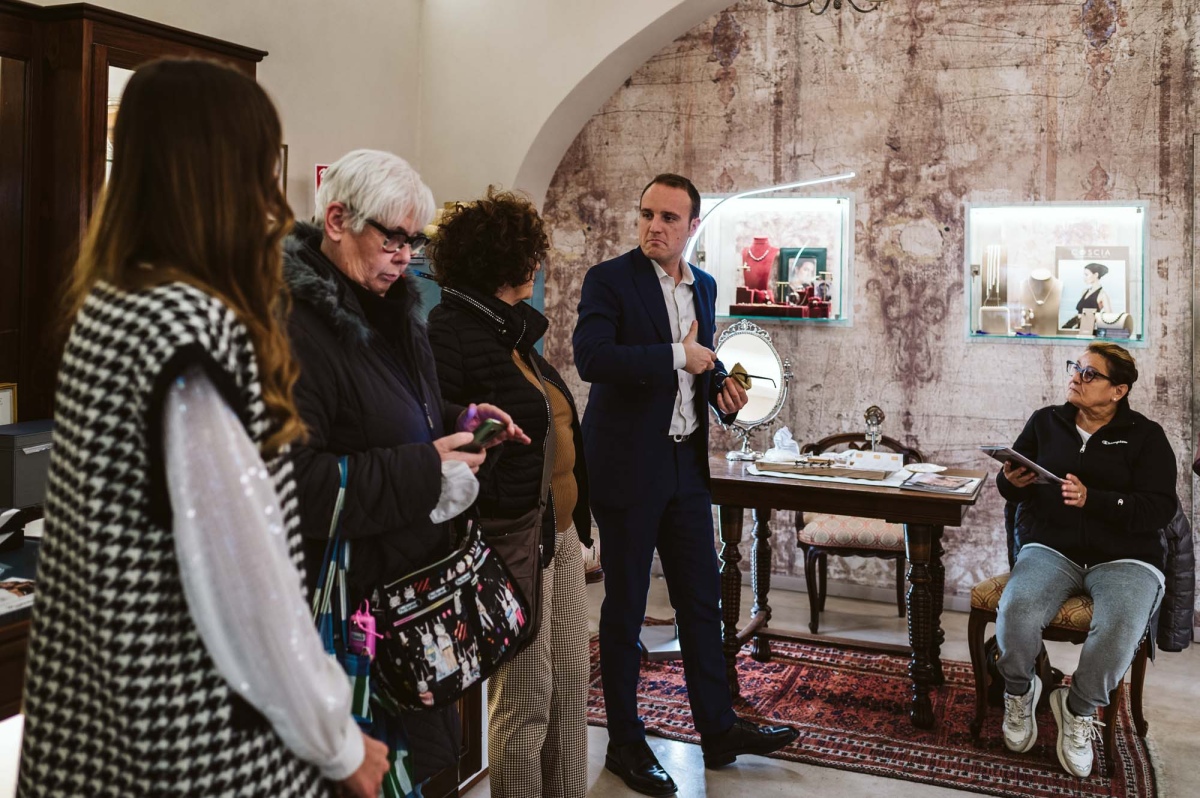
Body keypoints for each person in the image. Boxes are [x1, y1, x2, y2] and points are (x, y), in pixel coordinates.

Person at [18, 59, 388, 798]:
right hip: (196, 736)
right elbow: (242, 571)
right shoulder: (188, 325)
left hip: (105, 721)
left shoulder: (115, 303)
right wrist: (337, 739)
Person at [283, 150, 527, 793]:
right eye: (392, 238)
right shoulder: (295, 327)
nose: (405, 257)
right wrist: (427, 465)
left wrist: (462, 418)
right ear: (337, 220)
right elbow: (295, 483)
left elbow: (394, 412)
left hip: (406, 592)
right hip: (346, 609)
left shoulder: (395, 306)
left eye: (414, 242)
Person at [573, 173, 798, 796]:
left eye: (669, 217)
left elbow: (699, 364)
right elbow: (593, 358)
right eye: (647, 213)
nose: (654, 226)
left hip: (686, 467)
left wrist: (720, 387)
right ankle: (624, 743)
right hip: (626, 467)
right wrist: (679, 355)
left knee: (701, 603)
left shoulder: (704, 285)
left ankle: (718, 731)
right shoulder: (608, 280)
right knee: (625, 610)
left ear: (692, 226)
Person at [426, 188, 593, 798]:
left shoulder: (513, 335)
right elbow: (440, 429)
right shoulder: (451, 330)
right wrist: (482, 434)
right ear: (503, 259)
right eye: (530, 252)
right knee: (526, 699)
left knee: (570, 686)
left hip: (560, 537)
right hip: (511, 541)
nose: (538, 264)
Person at [995, 342, 1176, 778]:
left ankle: (1077, 710)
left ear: (1118, 390)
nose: (1076, 377)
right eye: (1076, 368)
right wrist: (1011, 480)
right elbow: (1011, 489)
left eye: (1090, 373)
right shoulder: (1046, 421)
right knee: (1016, 611)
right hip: (1052, 547)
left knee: (1118, 627)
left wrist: (1094, 500)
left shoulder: (1147, 436)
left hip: (1126, 557)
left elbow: (1159, 508)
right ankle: (1020, 692)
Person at [1062, 262, 1111, 329]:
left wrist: (1095, 318)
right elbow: (1080, 313)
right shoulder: (1084, 292)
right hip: (1076, 327)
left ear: (1096, 275)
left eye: (1086, 275)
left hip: (1089, 329)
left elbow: (1109, 317)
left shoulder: (1102, 295)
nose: (1084, 278)